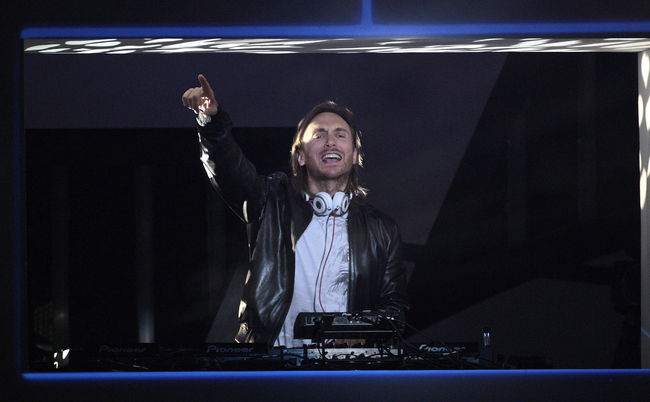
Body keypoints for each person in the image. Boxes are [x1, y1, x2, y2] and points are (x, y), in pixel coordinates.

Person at [182, 74, 409, 347]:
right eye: (319, 135)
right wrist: (211, 123)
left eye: (340, 135)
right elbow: (229, 170)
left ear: (353, 154)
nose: (330, 142)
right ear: (300, 156)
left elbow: (394, 306)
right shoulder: (271, 201)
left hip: (348, 366)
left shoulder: (382, 229)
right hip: (273, 360)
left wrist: (358, 333)